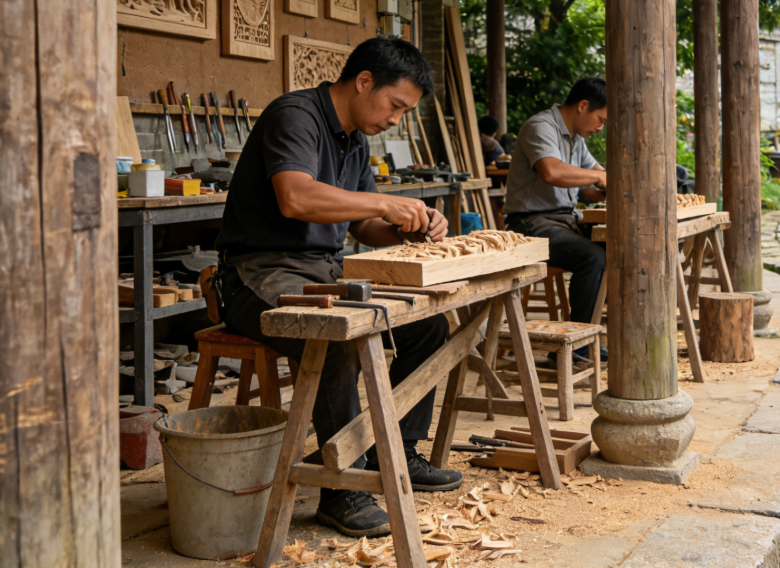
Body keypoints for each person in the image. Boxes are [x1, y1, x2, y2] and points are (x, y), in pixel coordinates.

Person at [214, 36, 462, 540]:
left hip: (322, 269)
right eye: (395, 106)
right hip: (256, 274)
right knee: (334, 337)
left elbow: (364, 228)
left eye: (405, 112)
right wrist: (382, 205)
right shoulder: (295, 116)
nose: (396, 120)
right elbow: (296, 198)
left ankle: (401, 449)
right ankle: (340, 486)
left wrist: (407, 228)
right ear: (364, 81)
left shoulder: (356, 139)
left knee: (427, 325)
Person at [502, 78, 608, 359]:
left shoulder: (576, 140)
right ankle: (573, 346)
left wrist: (605, 185)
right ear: (583, 106)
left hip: (564, 219)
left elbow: (590, 183)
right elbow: (552, 171)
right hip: (529, 224)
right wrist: (600, 177)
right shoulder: (542, 127)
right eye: (600, 119)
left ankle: (589, 332)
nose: (600, 127)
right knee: (593, 257)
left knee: (618, 249)